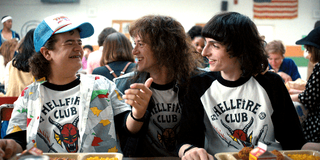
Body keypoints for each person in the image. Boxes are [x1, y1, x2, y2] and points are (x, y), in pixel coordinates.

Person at [0, 14, 144, 158]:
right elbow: (18, 139)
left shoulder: (101, 85)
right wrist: (9, 145)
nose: (78, 49)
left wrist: (137, 113)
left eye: (79, 43)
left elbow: (127, 127)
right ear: (47, 53)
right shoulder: (29, 96)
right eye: (69, 43)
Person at [176, 12, 312, 160]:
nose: (204, 52)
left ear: (238, 47)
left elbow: (294, 140)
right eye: (205, 43)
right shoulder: (198, 85)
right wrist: (189, 150)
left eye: (214, 45)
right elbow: (186, 139)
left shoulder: (271, 83)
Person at [114, 15, 204, 157]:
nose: (134, 51)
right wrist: (137, 113)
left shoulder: (197, 82)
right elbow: (124, 132)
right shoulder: (126, 84)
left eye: (141, 44)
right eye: (134, 44)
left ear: (163, 47)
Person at [291, 26, 320, 143]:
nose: (308, 54)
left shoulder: (319, 68)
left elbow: (309, 98)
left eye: (309, 50)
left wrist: (288, 98)